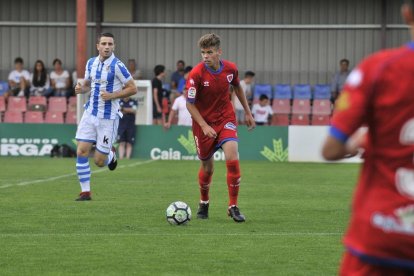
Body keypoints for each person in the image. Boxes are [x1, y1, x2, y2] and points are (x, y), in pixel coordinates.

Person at [321, 1, 414, 273]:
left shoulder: (378, 68)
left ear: (406, 12)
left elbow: (331, 149)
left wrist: (360, 141)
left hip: (381, 233)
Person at [186, 33, 255, 223]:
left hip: (225, 118)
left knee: (232, 156)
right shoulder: (196, 74)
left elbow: (238, 87)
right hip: (203, 123)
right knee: (207, 168)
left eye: (209, 52)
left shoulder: (231, 69)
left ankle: (233, 206)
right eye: (203, 52)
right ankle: (204, 202)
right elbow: (190, 104)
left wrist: (248, 112)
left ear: (219, 52)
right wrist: (204, 125)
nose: (205, 56)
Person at [74, 32, 137, 201]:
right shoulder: (91, 63)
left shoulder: (118, 65)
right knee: (81, 151)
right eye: (104, 43)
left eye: (110, 44)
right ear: (98, 46)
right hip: (90, 113)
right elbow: (88, 85)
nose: (107, 46)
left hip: (108, 118)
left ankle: (111, 155)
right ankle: (85, 192)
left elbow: (133, 88)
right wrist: (81, 89)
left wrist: (113, 95)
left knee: (99, 161)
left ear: (114, 46)